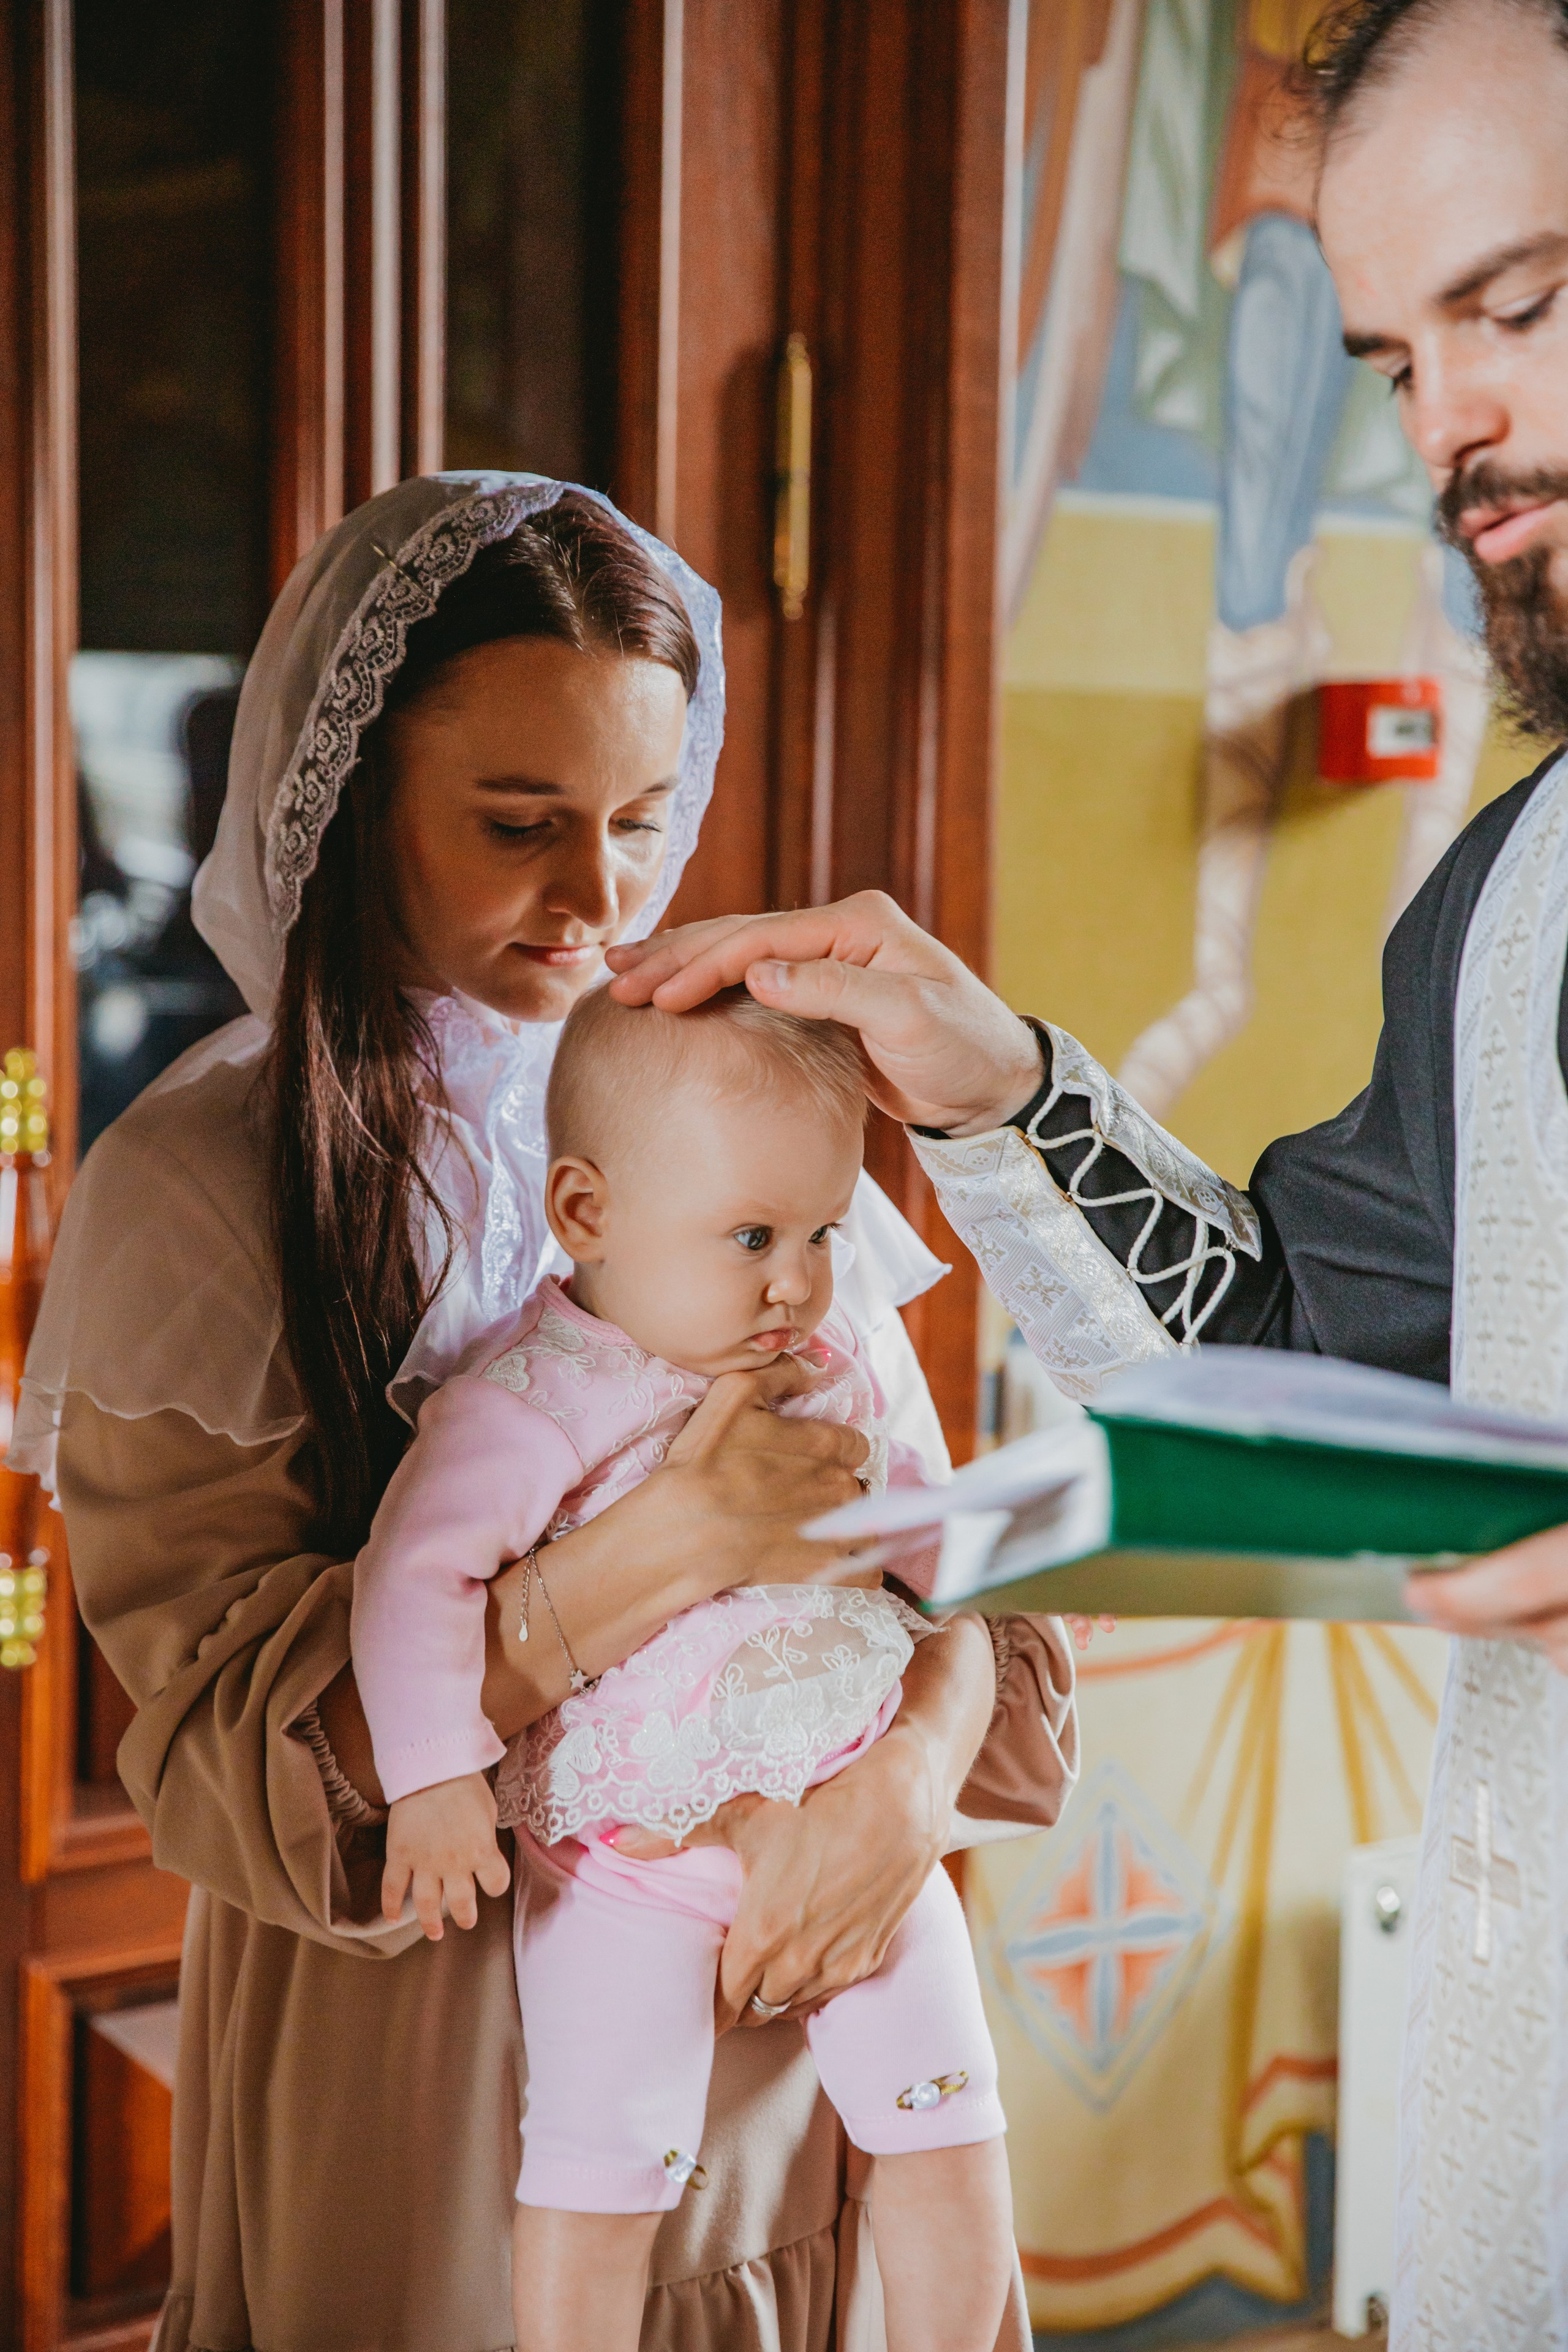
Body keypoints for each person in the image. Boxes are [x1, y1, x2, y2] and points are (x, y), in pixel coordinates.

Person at [605, 4, 1568, 2340]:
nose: (1444, 424)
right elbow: (1305, 1374)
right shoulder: (1509, 900)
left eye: (1522, 308)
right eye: (1393, 356)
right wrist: (1000, 1093)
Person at [12, 475, 1079, 2352]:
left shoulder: (734, 1091)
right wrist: (671, 1546)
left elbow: (944, 1544)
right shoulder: (208, 1180)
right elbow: (232, 1762)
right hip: (436, 2061)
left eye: (642, 822)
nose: (600, 899)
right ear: (358, 808)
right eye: (520, 826)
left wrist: (907, 1783)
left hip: (794, 2007)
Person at [355, 984, 1014, 2352]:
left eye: (824, 1232)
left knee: (949, 2122)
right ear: (586, 1212)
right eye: (753, 1237)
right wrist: (432, 1779)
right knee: (600, 2173)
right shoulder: (533, 1401)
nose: (799, 1280)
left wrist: (1028, 1566)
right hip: (627, 1861)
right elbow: (414, 1581)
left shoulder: (820, 1363)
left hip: (850, 1827)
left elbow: (907, 1512)